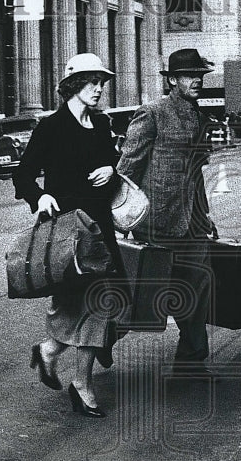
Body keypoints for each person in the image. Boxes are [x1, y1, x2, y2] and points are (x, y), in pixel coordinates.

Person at [12, 53, 123, 418]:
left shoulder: (102, 124)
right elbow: (24, 174)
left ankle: (80, 380)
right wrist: (40, 195)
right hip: (67, 230)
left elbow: (114, 163)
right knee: (70, 304)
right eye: (93, 82)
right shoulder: (52, 127)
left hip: (100, 226)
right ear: (74, 85)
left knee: (103, 304)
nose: (99, 89)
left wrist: (110, 168)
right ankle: (50, 351)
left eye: (102, 83)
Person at [117, 48, 218, 377]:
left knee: (198, 284)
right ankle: (99, 340)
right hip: (156, 221)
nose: (197, 81)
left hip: (192, 223)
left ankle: (191, 358)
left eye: (200, 76)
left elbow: (196, 175)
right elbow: (127, 170)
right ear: (173, 80)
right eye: (190, 76)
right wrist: (119, 219)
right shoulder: (152, 113)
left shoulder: (200, 117)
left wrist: (205, 216)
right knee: (143, 297)